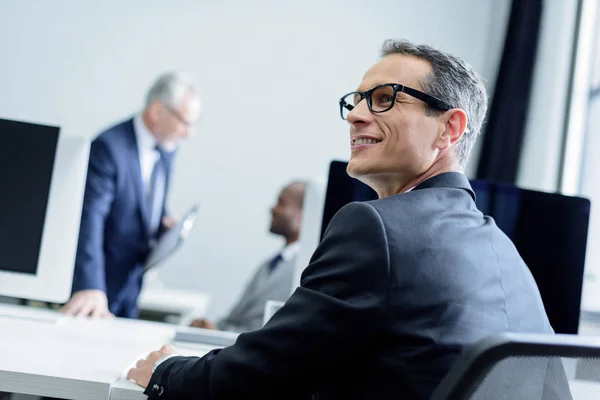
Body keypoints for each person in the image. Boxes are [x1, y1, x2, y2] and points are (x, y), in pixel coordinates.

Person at [127, 39, 553, 399]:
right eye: (356, 101)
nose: (355, 114)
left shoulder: (374, 227)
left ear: (449, 129)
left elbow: (261, 372)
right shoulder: (506, 253)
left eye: (385, 99)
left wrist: (165, 372)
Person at [60, 72, 201, 319]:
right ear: (158, 111)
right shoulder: (109, 147)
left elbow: (144, 202)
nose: (189, 133)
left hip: (131, 286)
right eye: (184, 122)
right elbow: (90, 216)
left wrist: (162, 223)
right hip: (98, 289)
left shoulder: (167, 148)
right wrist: (90, 285)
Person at [190, 181, 305, 333]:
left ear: (304, 214)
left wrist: (218, 331)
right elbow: (238, 318)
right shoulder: (271, 263)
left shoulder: (303, 269)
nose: (273, 209)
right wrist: (213, 328)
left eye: (281, 203)